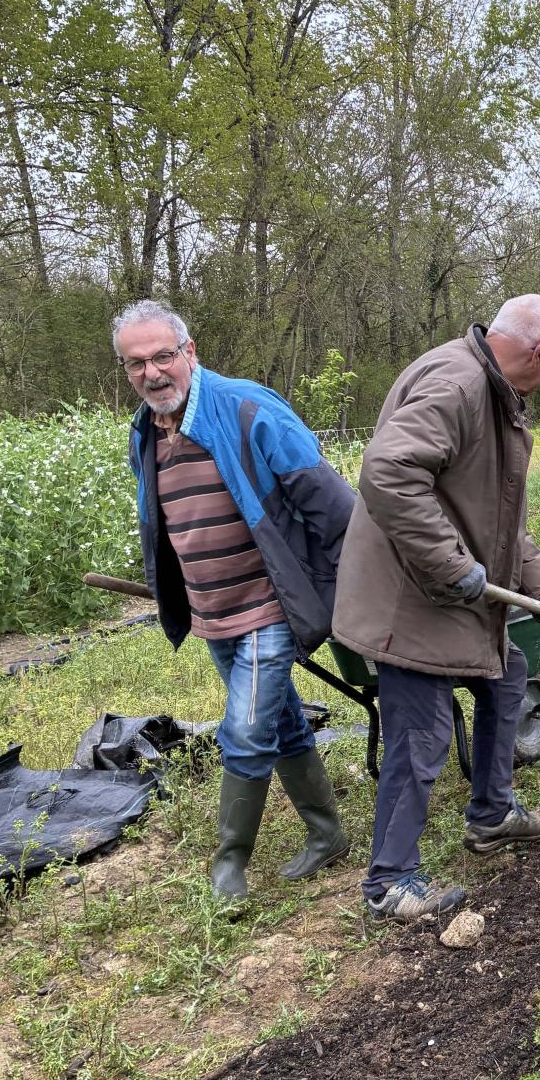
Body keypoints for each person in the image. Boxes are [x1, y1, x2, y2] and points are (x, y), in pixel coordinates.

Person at [333, 295, 540, 926]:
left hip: (443, 591)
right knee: (421, 734)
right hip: (411, 597)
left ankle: (492, 813)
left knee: (509, 672)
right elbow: (387, 472)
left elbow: (498, 524)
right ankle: (389, 882)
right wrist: (450, 563)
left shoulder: (488, 389)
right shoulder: (460, 385)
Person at [114, 299, 355, 899]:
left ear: (189, 351)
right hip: (212, 612)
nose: (151, 373)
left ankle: (229, 866)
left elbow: (333, 505)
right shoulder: (144, 432)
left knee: (246, 730)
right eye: (136, 363)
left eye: (163, 356)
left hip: (270, 605)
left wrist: (356, 583)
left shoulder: (246, 408)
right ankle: (327, 834)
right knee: (280, 719)